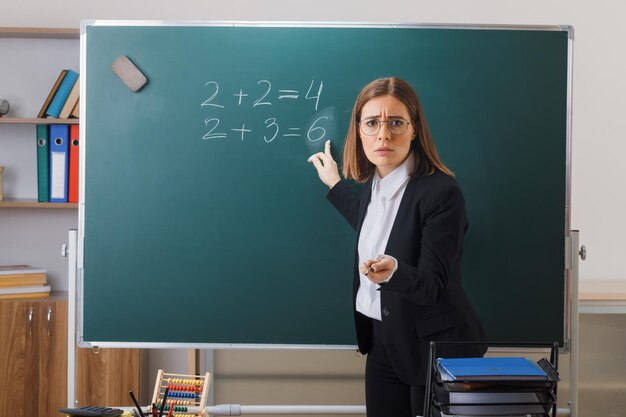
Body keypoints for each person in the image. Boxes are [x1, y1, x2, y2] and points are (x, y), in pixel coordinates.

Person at [307, 77, 486, 417]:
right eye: (372, 123)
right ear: (358, 131)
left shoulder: (441, 193)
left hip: (433, 347)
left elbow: (434, 285)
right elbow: (367, 221)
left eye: (395, 123)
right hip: (382, 341)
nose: (383, 135)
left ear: (415, 129)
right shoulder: (375, 186)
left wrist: (395, 273)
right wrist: (334, 183)